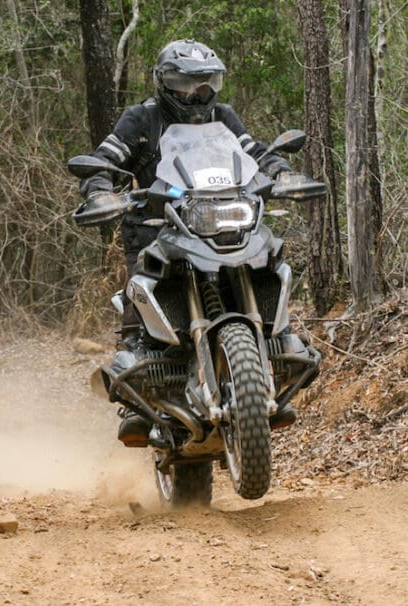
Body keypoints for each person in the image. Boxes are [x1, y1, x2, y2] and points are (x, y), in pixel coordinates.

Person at [76, 39, 297, 445]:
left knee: (267, 260)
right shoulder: (140, 118)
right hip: (155, 225)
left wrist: (280, 171)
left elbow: (254, 151)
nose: (196, 94)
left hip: (223, 218)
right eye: (185, 84)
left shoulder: (223, 115)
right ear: (164, 82)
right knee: (139, 296)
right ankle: (136, 396)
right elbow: (106, 158)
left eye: (205, 84)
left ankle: (271, 354)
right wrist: (99, 189)